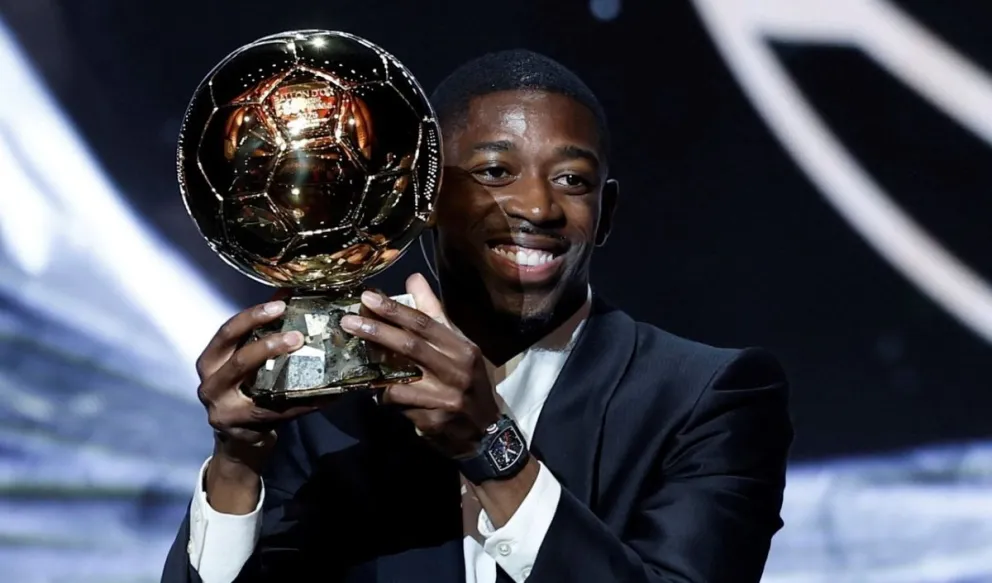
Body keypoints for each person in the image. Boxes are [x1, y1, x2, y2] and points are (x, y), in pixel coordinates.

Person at [161, 49, 793, 583]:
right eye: (495, 171)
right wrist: (236, 467)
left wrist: (490, 448)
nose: (538, 206)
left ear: (607, 213)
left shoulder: (710, 397)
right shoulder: (332, 400)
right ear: (426, 197)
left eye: (573, 181)